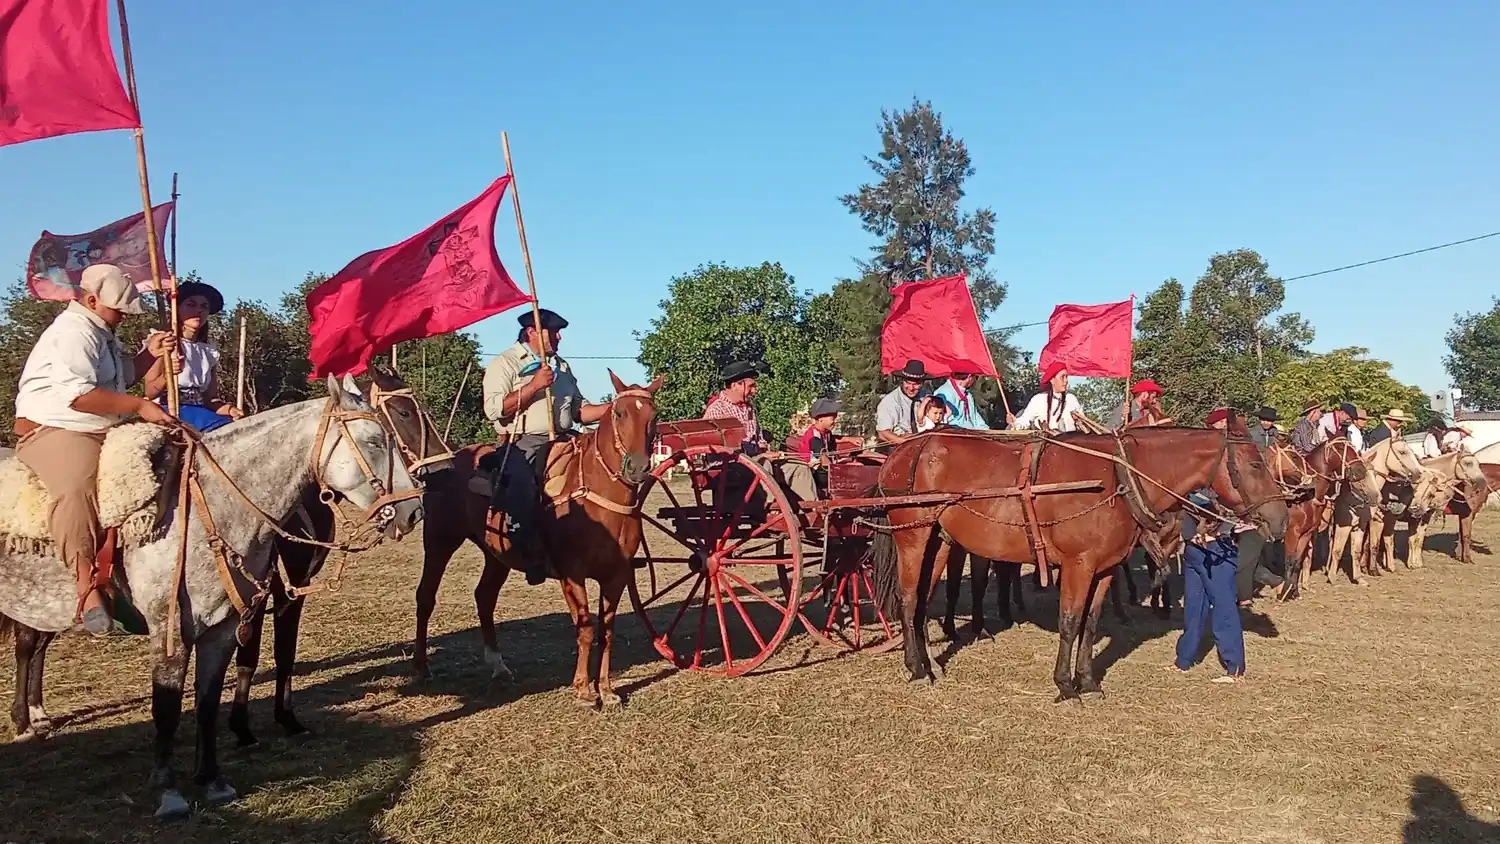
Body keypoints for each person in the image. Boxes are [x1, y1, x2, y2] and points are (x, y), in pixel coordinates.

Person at [12, 264, 178, 634]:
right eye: (118, 309)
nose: (122, 316)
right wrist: (139, 407)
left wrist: (150, 354)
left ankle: (129, 581)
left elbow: (122, 377)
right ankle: (85, 585)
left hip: (101, 426)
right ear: (90, 300)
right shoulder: (73, 333)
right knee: (74, 489)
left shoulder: (102, 332)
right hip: (59, 428)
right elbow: (80, 396)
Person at [482, 308, 609, 584]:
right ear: (532, 332)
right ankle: (526, 547)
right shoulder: (505, 363)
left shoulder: (562, 366)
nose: (560, 336)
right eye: (553, 331)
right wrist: (534, 386)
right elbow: (494, 410)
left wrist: (613, 408)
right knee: (523, 484)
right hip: (523, 441)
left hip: (565, 437)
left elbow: (578, 411)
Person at [703, 361, 819, 505]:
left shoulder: (750, 409)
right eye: (751, 386)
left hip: (754, 463)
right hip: (730, 466)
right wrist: (760, 456)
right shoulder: (717, 410)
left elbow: (758, 439)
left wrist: (766, 449)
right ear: (734, 385)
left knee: (798, 468)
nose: (754, 391)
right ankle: (772, 507)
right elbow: (721, 450)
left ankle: (814, 510)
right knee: (764, 464)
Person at [142, 281, 244, 433]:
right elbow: (150, 391)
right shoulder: (164, 341)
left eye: (204, 307)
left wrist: (229, 410)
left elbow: (210, 399)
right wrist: (167, 375)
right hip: (169, 410)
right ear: (177, 308)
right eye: (191, 304)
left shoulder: (208, 352)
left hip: (200, 412)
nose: (198, 311)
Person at [1173, 483, 1247, 682]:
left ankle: (1234, 668)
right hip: (1193, 551)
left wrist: (1225, 528)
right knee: (1193, 607)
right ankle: (1184, 660)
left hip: (1217, 552)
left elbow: (1235, 506)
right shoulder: (1194, 478)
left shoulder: (1227, 481)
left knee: (1223, 609)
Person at [1009, 361, 1083, 432]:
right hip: (1047, 443)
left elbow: (1084, 425)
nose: (1066, 380)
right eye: (1062, 377)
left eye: (1066, 377)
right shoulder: (1038, 399)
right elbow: (1025, 421)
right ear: (1052, 379)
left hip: (1071, 443)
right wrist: (1014, 422)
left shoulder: (1071, 399)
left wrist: (1079, 421)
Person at [875, 360, 930, 445]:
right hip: (894, 447)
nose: (911, 388)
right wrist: (904, 441)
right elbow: (883, 432)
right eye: (908, 383)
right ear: (902, 381)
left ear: (922, 383)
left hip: (922, 444)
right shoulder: (890, 402)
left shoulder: (926, 397)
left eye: (916, 384)